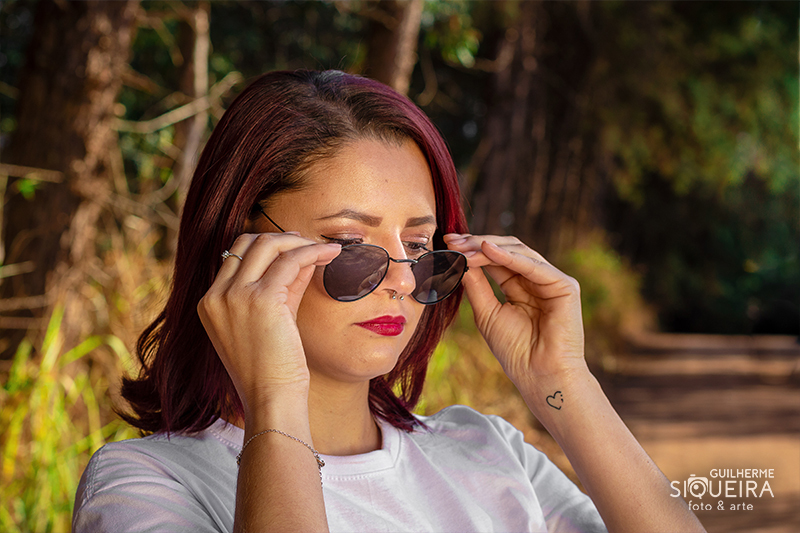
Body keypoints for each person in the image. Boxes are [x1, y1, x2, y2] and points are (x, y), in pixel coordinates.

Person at [72, 70, 705, 533]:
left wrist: (563, 384)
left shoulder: (487, 451)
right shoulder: (149, 485)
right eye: (351, 244)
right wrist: (275, 401)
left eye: (420, 244)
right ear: (238, 245)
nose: (402, 279)